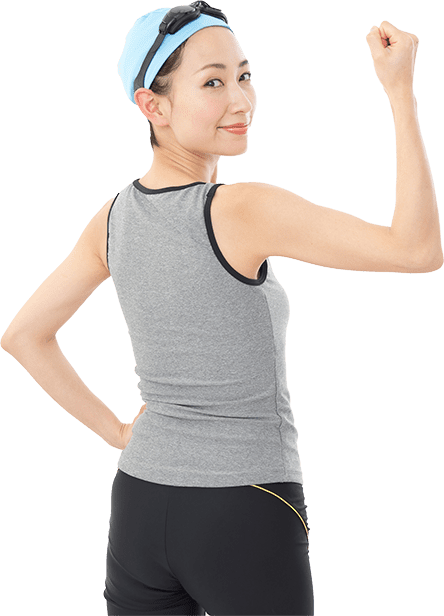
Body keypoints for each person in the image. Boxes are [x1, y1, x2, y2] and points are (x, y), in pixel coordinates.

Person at [1, 3, 441, 615]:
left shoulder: (112, 219)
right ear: (153, 106)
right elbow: (416, 250)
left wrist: (120, 434)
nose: (241, 100)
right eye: (212, 83)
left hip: (139, 505)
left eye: (244, 76)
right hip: (244, 504)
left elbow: (23, 335)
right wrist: (400, 92)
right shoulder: (241, 208)